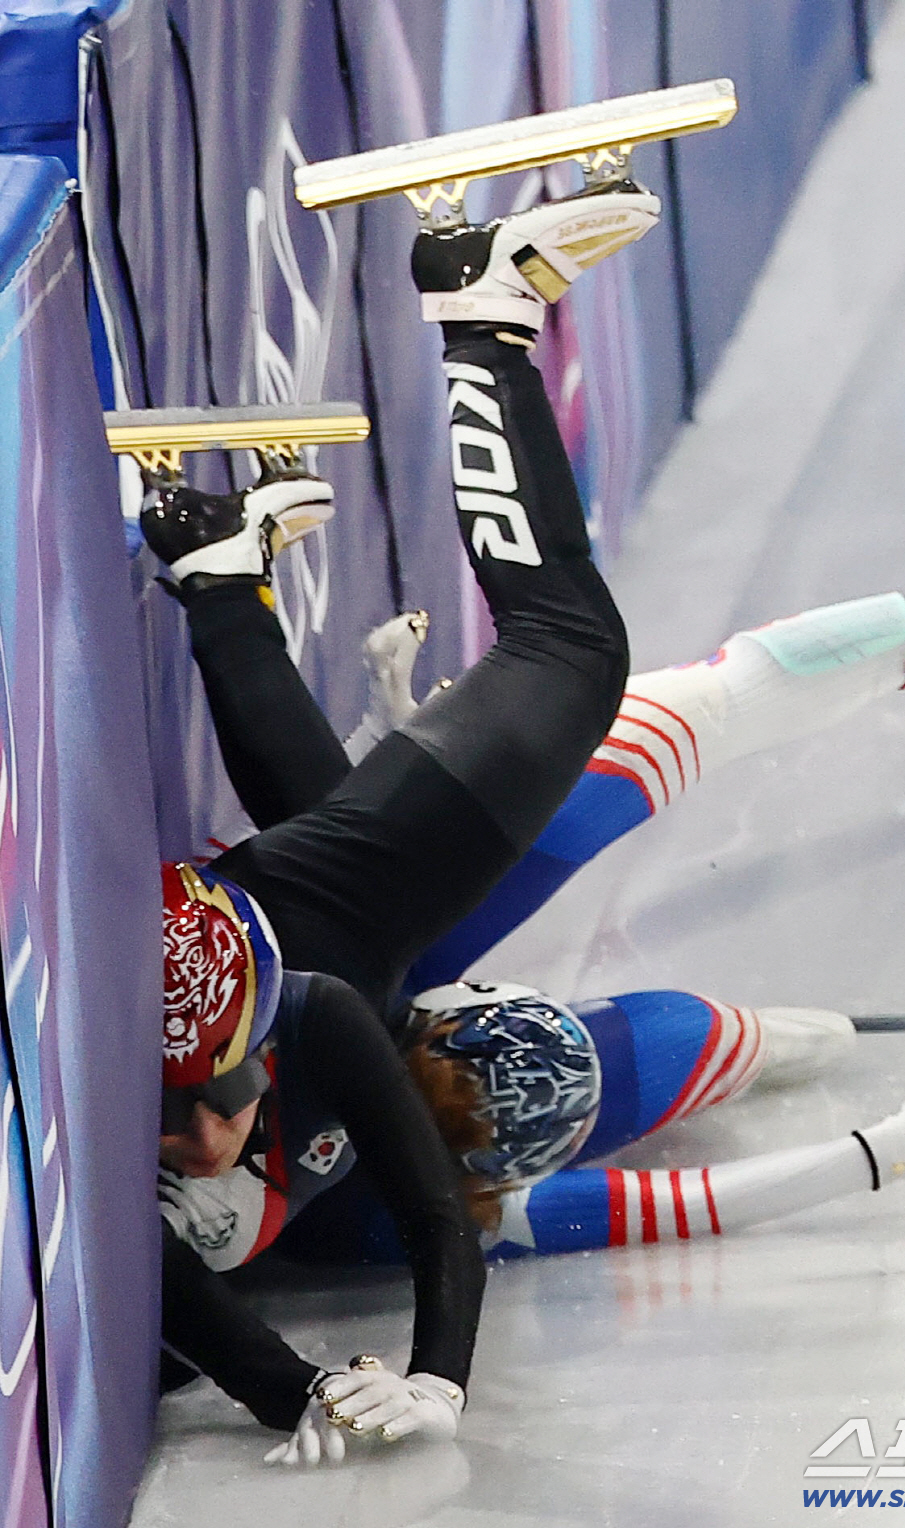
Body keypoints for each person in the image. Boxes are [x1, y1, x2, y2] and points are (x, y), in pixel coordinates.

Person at [146, 176, 663, 1463]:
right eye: (195, 1109)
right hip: (323, 887)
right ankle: (216, 578)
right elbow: (437, 1210)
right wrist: (419, 1381)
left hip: (350, 894)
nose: (210, 1140)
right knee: (343, 826)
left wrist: (303, 1392)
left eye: (203, 1103)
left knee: (573, 646)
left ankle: (480, 311)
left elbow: (420, 1212)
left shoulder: (302, 1012)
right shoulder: (265, 1041)